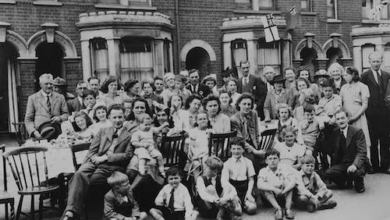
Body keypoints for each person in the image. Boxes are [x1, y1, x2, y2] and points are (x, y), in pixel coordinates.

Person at [61, 104, 134, 220]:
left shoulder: (129, 135)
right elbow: (92, 150)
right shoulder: (103, 131)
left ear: (124, 117)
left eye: (120, 117)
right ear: (109, 118)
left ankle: (77, 213)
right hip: (95, 162)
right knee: (78, 174)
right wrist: (85, 165)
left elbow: (127, 155)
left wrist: (106, 157)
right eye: (114, 117)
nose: (117, 120)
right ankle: (70, 211)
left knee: (88, 181)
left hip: (112, 166)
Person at [323, 110, 369, 193]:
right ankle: (346, 181)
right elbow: (330, 148)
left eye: (343, 118)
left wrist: (355, 165)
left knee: (356, 174)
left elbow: (362, 152)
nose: (341, 121)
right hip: (343, 163)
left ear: (348, 119)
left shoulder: (357, 131)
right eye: (338, 119)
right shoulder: (335, 132)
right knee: (328, 173)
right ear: (336, 121)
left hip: (356, 163)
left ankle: (359, 181)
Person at [360, 51, 390, 174]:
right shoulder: (365, 76)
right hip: (371, 113)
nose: (376, 64)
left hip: (385, 113)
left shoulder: (387, 75)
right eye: (374, 61)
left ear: (381, 61)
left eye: (378, 61)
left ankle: (385, 165)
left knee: (385, 140)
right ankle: (374, 165)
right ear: (369, 62)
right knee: (372, 140)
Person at [25, 73, 69, 139]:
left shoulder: (60, 97)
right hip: (40, 133)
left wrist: (59, 118)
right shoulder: (33, 98)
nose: (49, 86)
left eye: (51, 84)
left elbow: (66, 114)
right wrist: (33, 132)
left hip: (57, 132)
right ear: (40, 85)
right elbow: (28, 119)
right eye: (46, 84)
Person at [221, 137, 257, 215]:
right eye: (233, 149)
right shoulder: (227, 163)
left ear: (243, 149)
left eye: (239, 149)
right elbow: (224, 182)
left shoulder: (248, 162)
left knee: (252, 209)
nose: (236, 151)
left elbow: (251, 180)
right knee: (238, 212)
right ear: (230, 149)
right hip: (233, 189)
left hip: (245, 189)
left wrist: (249, 193)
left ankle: (244, 203)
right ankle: (237, 206)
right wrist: (233, 195)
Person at [257, 149, 296, 220]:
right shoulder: (263, 171)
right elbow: (259, 185)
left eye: (275, 158)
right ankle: (278, 209)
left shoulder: (284, 169)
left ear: (279, 160)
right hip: (269, 199)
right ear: (266, 161)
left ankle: (288, 209)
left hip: (282, 196)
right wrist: (274, 189)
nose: (272, 161)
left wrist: (283, 191)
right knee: (264, 186)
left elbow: (293, 181)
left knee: (288, 182)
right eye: (270, 159)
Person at [230, 93, 263, 172]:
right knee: (251, 159)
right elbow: (240, 139)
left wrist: (257, 146)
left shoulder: (254, 113)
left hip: (253, 142)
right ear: (239, 104)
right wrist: (255, 151)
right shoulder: (234, 119)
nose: (247, 106)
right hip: (241, 145)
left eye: (249, 104)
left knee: (266, 154)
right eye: (244, 104)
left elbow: (256, 132)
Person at [340, 66, 371, 149]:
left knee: (361, 138)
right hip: (346, 116)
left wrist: (355, 117)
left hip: (358, 115)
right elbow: (340, 102)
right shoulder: (344, 88)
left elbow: (365, 104)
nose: (344, 77)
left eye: (346, 75)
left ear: (353, 74)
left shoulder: (362, 87)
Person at [187, 111, 213, 181]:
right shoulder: (193, 132)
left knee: (205, 160)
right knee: (196, 164)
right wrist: (197, 156)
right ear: (196, 121)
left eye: (204, 119)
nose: (203, 121)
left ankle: (206, 182)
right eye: (200, 119)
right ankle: (198, 185)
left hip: (207, 154)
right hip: (196, 154)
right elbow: (193, 147)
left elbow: (211, 146)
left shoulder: (210, 131)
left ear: (208, 120)